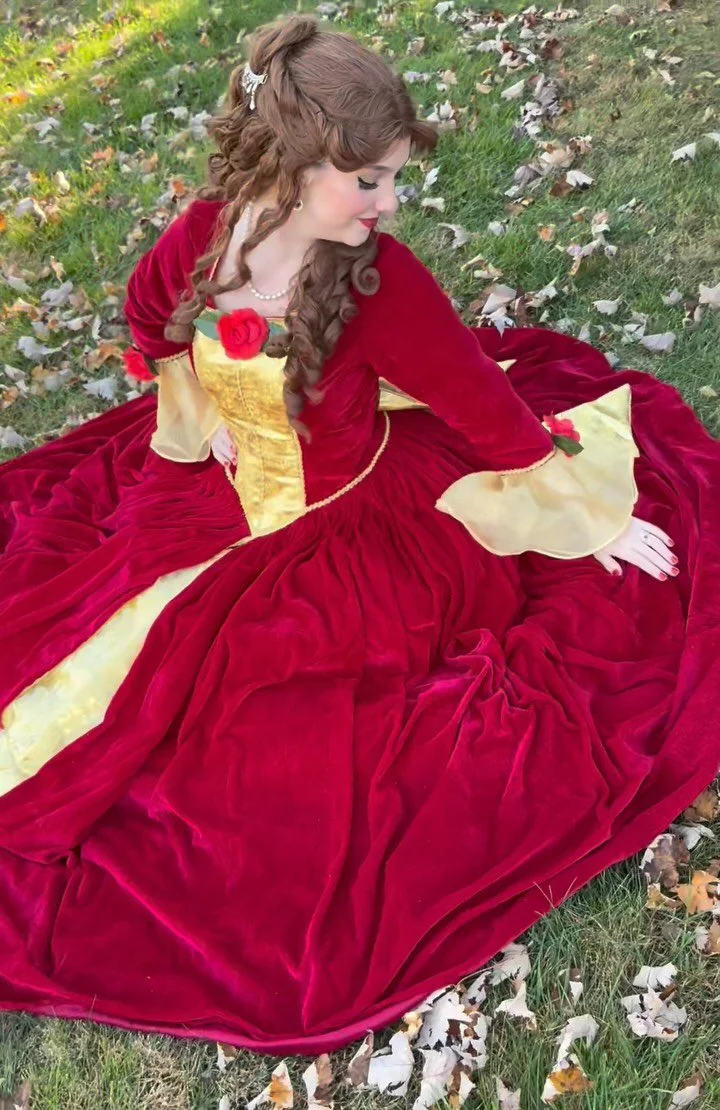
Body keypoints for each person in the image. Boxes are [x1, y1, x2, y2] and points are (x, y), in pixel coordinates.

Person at [0, 12, 718, 1056]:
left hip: (357, 523)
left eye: (392, 179)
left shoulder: (378, 280)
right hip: (211, 493)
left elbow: (480, 405)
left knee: (249, 722)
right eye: (369, 181)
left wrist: (585, 514)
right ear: (290, 170)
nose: (390, 203)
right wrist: (198, 427)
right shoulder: (199, 240)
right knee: (104, 627)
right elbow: (154, 323)